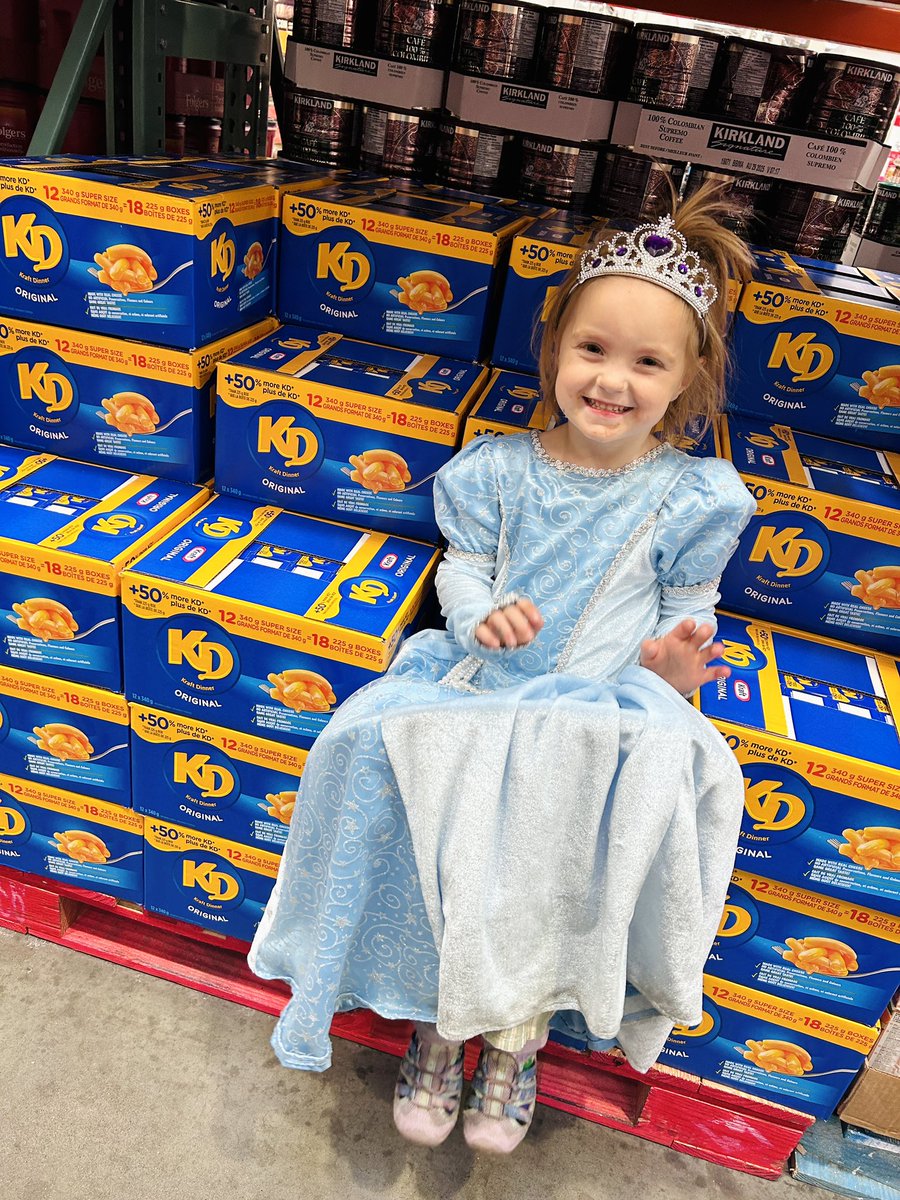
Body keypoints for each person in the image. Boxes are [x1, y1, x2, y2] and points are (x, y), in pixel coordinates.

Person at [249, 183, 758, 1155]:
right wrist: (480, 616)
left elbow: (692, 609)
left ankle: (516, 1043)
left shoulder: (692, 494)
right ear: (556, 348)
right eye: (593, 351)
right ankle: (442, 1032)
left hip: (602, 712)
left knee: (547, 878)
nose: (613, 382)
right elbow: (467, 567)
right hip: (486, 696)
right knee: (438, 838)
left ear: (687, 378)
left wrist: (677, 660)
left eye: (647, 363)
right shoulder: (496, 470)